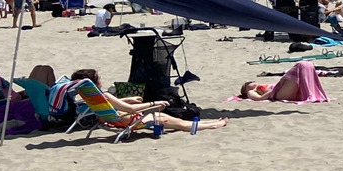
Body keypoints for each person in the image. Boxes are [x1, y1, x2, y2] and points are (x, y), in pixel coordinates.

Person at [64, 69, 225, 133]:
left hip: (114, 119)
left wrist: (130, 98)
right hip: (127, 119)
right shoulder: (104, 95)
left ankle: (209, 123)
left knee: (172, 121)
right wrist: (154, 104)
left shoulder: (90, 95)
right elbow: (131, 109)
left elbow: (115, 104)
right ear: (95, 81)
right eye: (99, 78)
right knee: (175, 122)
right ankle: (212, 124)